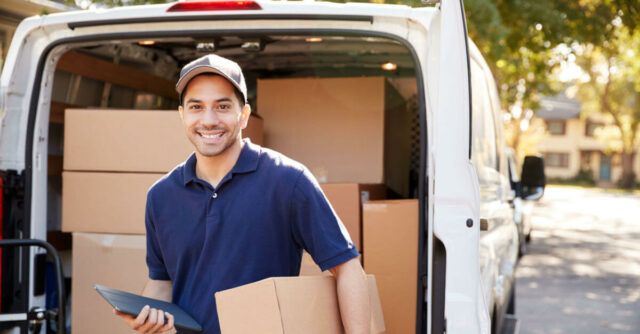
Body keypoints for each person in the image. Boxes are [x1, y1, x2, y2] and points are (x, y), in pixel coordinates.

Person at [114, 54, 371, 333]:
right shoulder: (161, 197)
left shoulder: (287, 181)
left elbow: (347, 268)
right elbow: (161, 282)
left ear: (244, 115)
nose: (209, 120)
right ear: (182, 115)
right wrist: (149, 318)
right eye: (196, 107)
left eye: (222, 106)